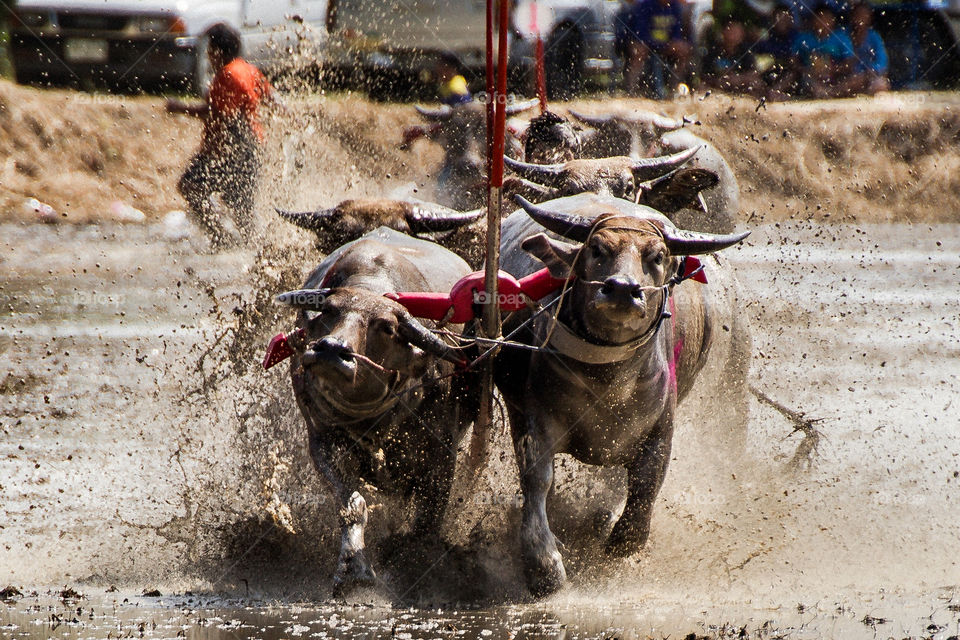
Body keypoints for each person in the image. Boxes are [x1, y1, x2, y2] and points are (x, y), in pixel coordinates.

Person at [166, 25, 277, 247]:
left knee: (191, 185)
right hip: (251, 147)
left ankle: (222, 239)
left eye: (209, 50)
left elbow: (216, 114)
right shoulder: (248, 70)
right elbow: (273, 98)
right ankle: (258, 249)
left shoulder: (227, 74)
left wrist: (179, 107)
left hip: (233, 150)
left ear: (217, 50)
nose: (208, 56)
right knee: (241, 209)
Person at [623, 0, 693, 98]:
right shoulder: (645, 5)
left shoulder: (675, 6)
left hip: (665, 45)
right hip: (646, 44)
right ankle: (631, 91)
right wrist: (659, 45)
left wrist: (668, 45)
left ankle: (674, 89)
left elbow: (677, 34)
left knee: (684, 50)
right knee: (639, 51)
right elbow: (641, 35)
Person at [792, 2, 856, 98]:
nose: (823, 21)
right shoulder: (803, 38)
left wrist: (834, 69)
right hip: (811, 76)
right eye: (820, 18)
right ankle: (821, 93)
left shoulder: (842, 38)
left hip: (836, 76)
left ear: (833, 20)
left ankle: (832, 92)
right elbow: (793, 60)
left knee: (856, 78)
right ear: (813, 20)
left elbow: (850, 62)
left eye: (827, 18)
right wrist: (806, 70)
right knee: (801, 78)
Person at [754, 3, 802, 100]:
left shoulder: (797, 36)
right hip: (769, 69)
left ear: (791, 20)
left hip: (789, 72)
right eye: (779, 17)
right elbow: (759, 54)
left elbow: (796, 60)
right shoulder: (767, 35)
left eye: (785, 18)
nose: (781, 21)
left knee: (792, 73)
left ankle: (774, 93)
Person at [702, 19, 762, 96]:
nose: (733, 35)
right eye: (731, 30)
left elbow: (754, 73)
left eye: (736, 32)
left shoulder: (745, 51)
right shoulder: (714, 50)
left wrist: (739, 79)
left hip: (740, 86)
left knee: (756, 84)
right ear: (723, 32)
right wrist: (718, 80)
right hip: (716, 87)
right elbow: (704, 74)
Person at [840, 1, 890, 95]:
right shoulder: (842, 35)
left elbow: (882, 62)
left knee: (881, 85)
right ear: (852, 16)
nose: (861, 19)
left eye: (864, 15)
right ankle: (834, 92)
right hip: (845, 77)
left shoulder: (874, 37)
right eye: (858, 15)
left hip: (868, 78)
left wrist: (868, 73)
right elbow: (839, 58)